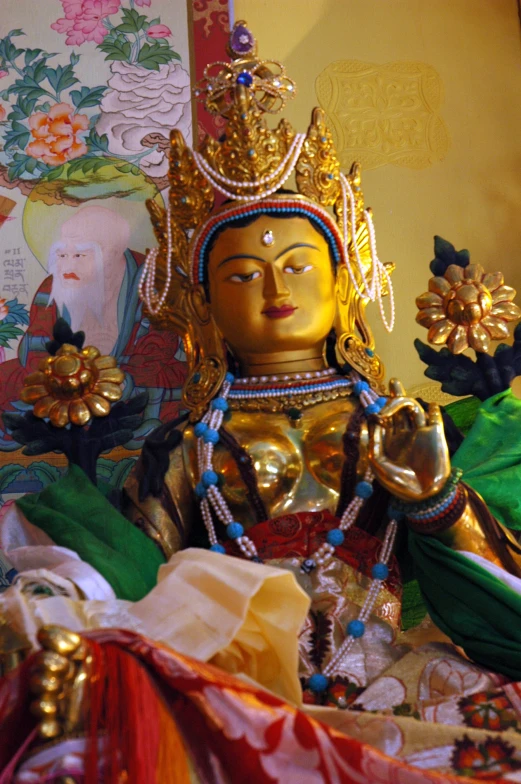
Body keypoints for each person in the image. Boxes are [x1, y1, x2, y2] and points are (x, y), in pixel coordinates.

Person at [3, 21, 521, 783]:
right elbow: (140, 587)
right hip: (234, 674)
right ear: (202, 302)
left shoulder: (399, 426)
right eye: (242, 274)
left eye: (298, 266)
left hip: (393, 664)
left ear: (342, 279)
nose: (275, 289)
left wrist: (436, 499)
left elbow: (494, 594)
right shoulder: (188, 447)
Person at [0, 205, 187, 450]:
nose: (67, 265)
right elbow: (35, 347)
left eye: (79, 255)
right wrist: (60, 379)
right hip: (62, 383)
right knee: (6, 378)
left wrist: (119, 381)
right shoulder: (54, 285)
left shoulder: (152, 283)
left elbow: (158, 348)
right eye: (62, 254)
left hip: (132, 379)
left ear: (112, 253)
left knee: (180, 383)